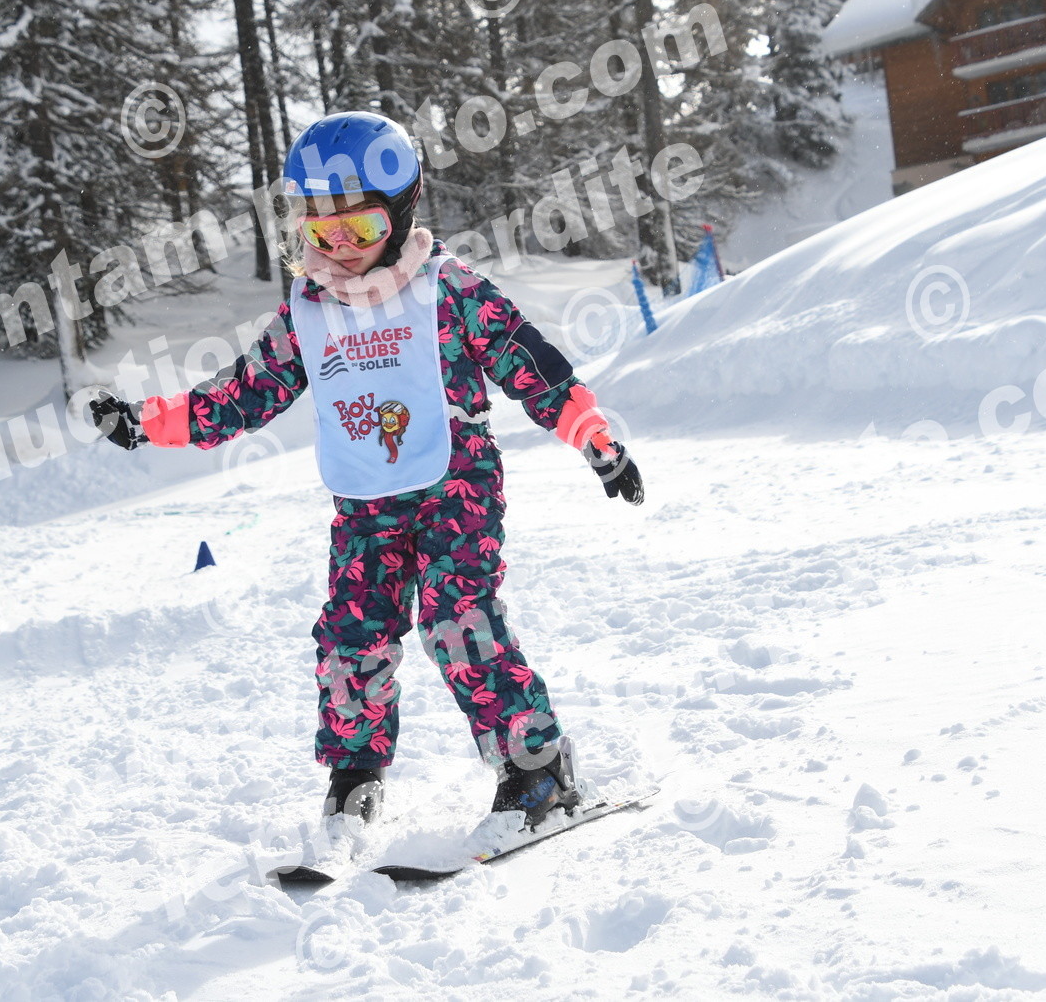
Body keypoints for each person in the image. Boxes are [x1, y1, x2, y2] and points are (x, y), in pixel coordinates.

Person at [89, 111, 644, 839]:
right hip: (363, 505)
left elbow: (527, 359)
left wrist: (592, 435)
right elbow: (243, 393)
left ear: (401, 210)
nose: (342, 248)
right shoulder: (308, 311)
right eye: (322, 233)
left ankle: (537, 767)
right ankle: (354, 777)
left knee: (456, 618)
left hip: (455, 486)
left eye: (359, 227)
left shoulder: (446, 288)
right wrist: (148, 421)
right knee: (351, 636)